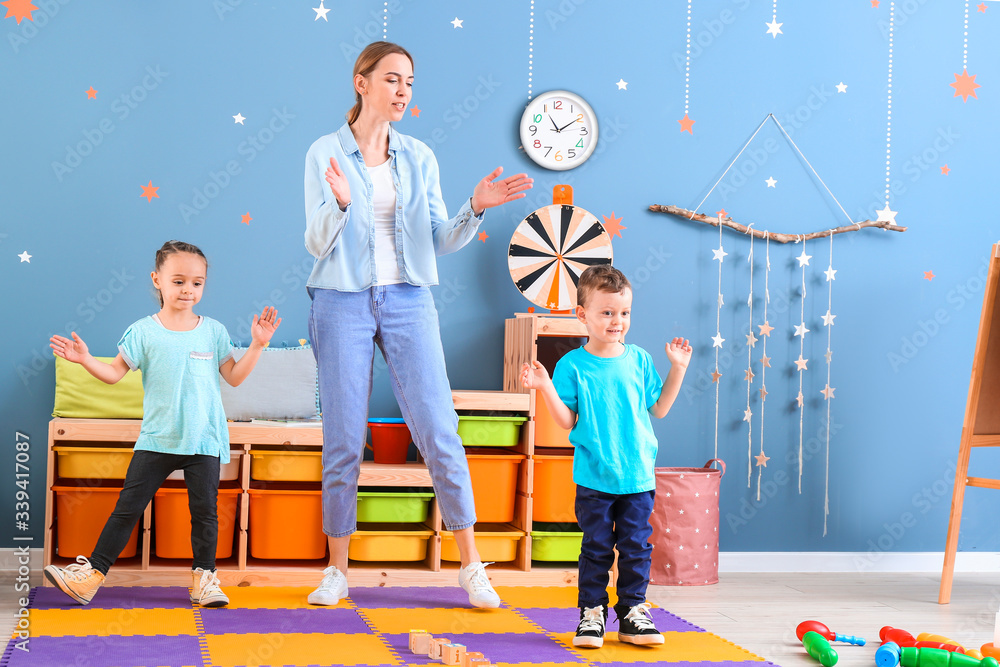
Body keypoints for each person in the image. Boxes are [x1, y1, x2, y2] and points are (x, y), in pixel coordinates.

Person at [303, 41, 532, 609]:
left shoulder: (418, 156)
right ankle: (336, 571)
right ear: (361, 82)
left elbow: (440, 239)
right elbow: (314, 242)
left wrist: (474, 208)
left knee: (439, 429)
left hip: (408, 298)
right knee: (341, 439)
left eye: (409, 81)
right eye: (392, 79)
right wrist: (340, 204)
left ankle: (472, 566)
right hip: (341, 298)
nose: (403, 91)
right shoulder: (323, 153)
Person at [43, 240, 281, 607]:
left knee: (205, 514)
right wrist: (86, 359)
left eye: (197, 283)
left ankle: (204, 580)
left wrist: (257, 345)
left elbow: (233, 377)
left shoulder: (213, 331)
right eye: (179, 281)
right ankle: (90, 577)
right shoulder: (143, 331)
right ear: (157, 280)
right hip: (157, 439)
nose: (188, 290)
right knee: (127, 508)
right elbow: (112, 374)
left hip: (203, 440)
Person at [520, 265, 692, 648]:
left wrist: (677, 369)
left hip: (637, 478)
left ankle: (633, 613)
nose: (618, 321)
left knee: (636, 547)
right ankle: (592, 614)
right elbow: (567, 420)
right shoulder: (572, 366)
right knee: (596, 548)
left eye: (624, 313)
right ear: (582, 314)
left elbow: (660, 408)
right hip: (595, 477)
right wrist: (545, 386)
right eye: (607, 312)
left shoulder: (640, 360)